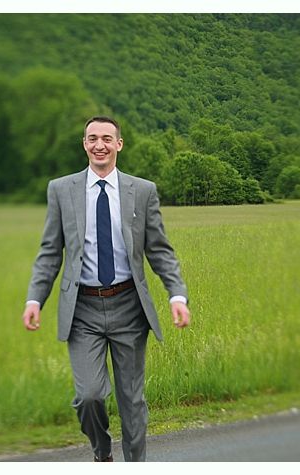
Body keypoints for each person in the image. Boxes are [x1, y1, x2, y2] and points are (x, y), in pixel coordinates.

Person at [23, 116, 191, 462]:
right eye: (91, 138)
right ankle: (102, 455)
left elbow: (159, 250)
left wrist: (176, 295)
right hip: (82, 308)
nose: (99, 144)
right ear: (84, 144)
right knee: (90, 396)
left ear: (119, 144)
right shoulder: (61, 190)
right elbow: (50, 251)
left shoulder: (142, 191)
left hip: (128, 305)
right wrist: (34, 298)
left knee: (132, 400)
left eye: (106, 138)